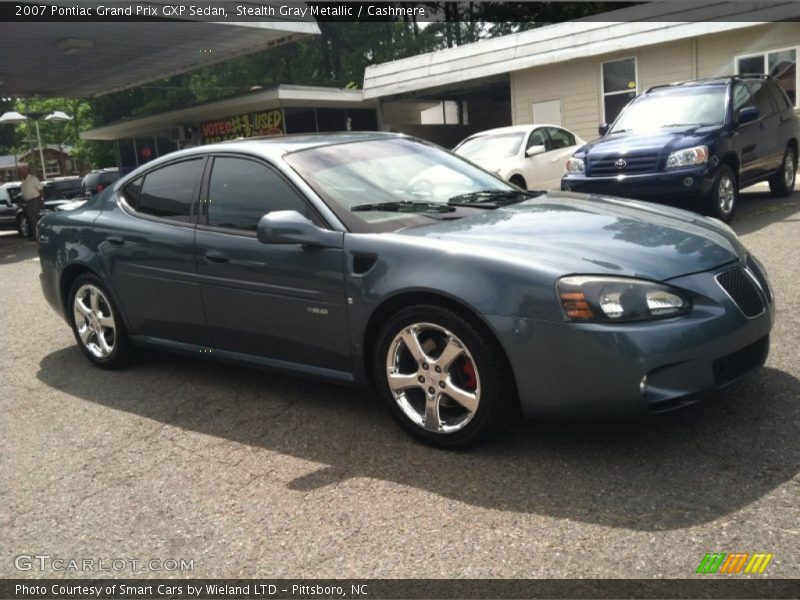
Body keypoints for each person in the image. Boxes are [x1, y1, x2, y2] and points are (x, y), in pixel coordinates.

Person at [19, 165, 43, 240]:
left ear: (27, 171)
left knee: (35, 219)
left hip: (34, 201)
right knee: (31, 219)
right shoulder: (23, 180)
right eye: (20, 171)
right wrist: (21, 201)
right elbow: (24, 192)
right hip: (27, 202)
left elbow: (41, 189)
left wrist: (41, 200)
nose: (21, 172)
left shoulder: (33, 179)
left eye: (23, 171)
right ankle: (35, 236)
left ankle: (39, 236)